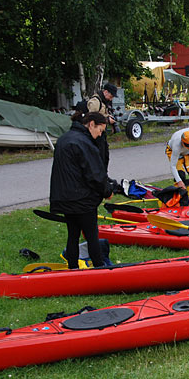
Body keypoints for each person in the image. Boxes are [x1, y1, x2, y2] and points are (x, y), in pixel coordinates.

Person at [49, 112, 115, 269]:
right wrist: (107, 191)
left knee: (73, 234)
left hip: (65, 197)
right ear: (91, 124)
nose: (100, 135)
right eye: (100, 130)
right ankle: (99, 268)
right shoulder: (84, 143)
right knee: (92, 236)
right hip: (82, 199)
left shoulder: (64, 139)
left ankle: (73, 268)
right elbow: (95, 174)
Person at [87, 83, 118, 171]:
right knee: (98, 158)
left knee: (105, 157)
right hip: (95, 135)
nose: (111, 99)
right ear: (105, 92)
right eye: (111, 96)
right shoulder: (95, 102)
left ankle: (104, 176)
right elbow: (91, 119)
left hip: (101, 133)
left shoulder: (103, 102)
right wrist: (107, 120)